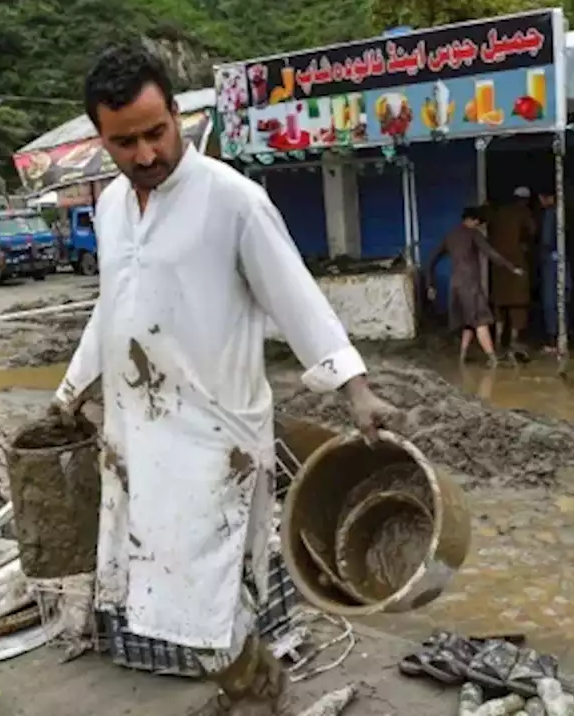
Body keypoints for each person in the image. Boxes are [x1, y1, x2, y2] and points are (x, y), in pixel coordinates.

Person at [49, 44, 402, 716]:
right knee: (155, 575)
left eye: (157, 132)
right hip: (137, 430)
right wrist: (71, 392)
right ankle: (247, 684)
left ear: (177, 115)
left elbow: (298, 298)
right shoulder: (112, 210)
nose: (147, 154)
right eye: (125, 142)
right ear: (102, 139)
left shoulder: (234, 201)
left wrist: (356, 390)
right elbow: (113, 306)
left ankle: (255, 686)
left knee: (210, 585)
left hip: (218, 439)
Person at [426, 206, 523, 367]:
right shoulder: (473, 234)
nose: (478, 225)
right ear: (472, 220)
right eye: (478, 222)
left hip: (455, 286)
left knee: (468, 323)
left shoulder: (450, 235)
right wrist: (511, 267)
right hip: (470, 285)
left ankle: (462, 357)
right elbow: (491, 253)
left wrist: (430, 285)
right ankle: (493, 358)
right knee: (481, 321)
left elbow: (431, 260)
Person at [487, 187, 537, 354]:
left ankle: (499, 340)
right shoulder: (524, 213)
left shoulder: (498, 212)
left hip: (498, 264)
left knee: (500, 303)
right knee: (518, 304)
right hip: (516, 262)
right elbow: (533, 231)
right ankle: (514, 340)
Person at [536, 191, 560, 354]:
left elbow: (545, 241)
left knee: (550, 302)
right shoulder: (562, 214)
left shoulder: (550, 215)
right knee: (561, 300)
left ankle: (553, 342)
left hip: (551, 263)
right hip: (562, 262)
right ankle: (560, 338)